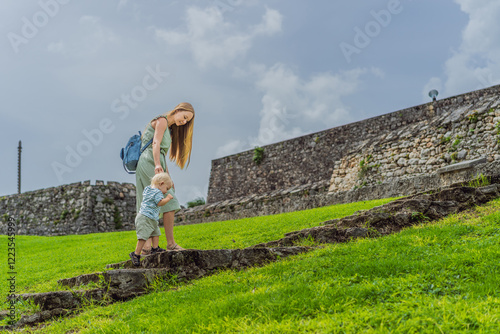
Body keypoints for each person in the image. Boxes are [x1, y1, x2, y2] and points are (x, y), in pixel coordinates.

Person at [135, 102, 195, 255]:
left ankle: (146, 248)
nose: (185, 121)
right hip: (149, 160)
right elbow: (155, 143)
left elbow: (162, 154)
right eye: (185, 117)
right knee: (170, 199)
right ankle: (171, 244)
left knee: (147, 201)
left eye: (188, 120)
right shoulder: (162, 120)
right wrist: (156, 165)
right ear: (179, 110)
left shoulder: (169, 128)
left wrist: (168, 176)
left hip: (153, 160)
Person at [130, 173, 174, 266]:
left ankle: (155, 248)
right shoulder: (157, 192)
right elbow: (160, 203)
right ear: (161, 183)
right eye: (166, 188)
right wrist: (168, 198)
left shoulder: (148, 189)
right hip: (146, 218)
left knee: (156, 233)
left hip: (150, 218)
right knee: (143, 237)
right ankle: (136, 254)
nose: (166, 192)